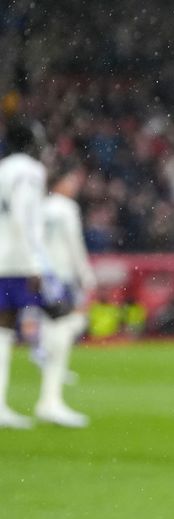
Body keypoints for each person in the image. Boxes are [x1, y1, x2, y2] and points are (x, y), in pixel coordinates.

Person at [35, 163, 95, 427]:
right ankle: (51, 400)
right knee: (65, 329)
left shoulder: (41, 206)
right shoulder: (67, 209)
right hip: (61, 276)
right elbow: (75, 244)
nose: (73, 185)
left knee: (54, 327)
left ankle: (41, 351)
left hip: (39, 274)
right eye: (70, 179)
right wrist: (86, 274)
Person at [0, 120, 48, 429]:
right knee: (4, 328)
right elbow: (24, 216)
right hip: (14, 258)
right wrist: (35, 263)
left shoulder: (3, 167)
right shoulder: (30, 171)